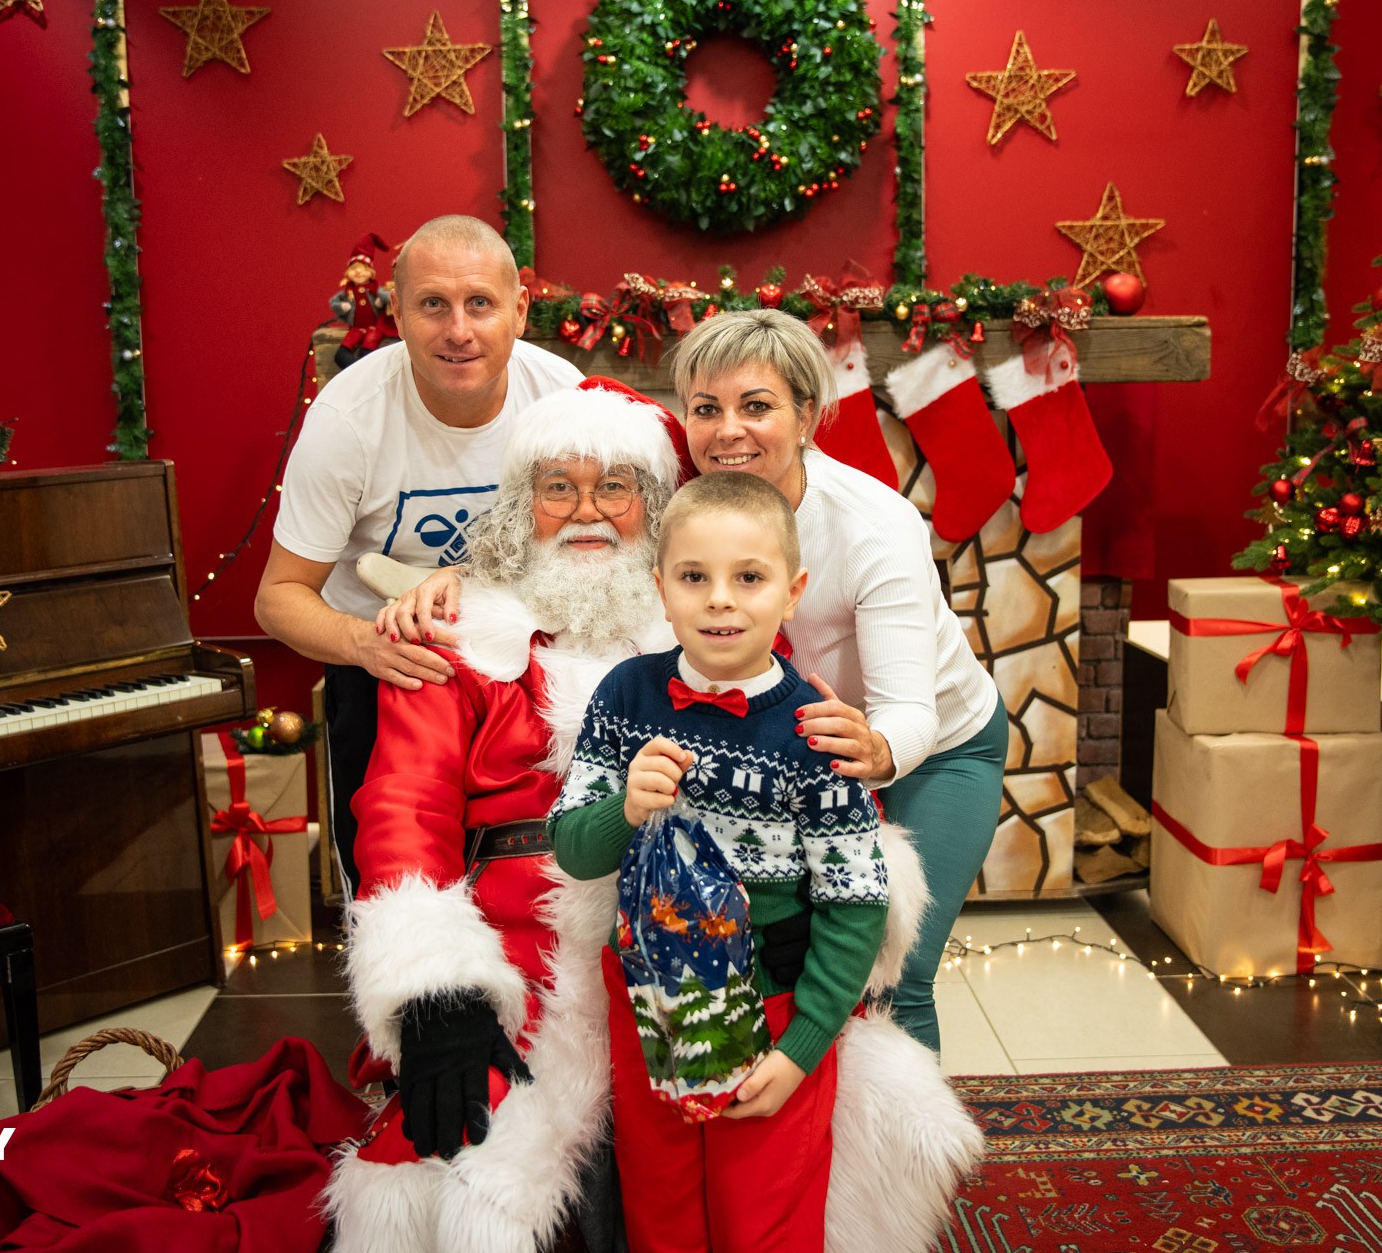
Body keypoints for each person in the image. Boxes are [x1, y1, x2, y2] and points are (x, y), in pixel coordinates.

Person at [326, 384, 978, 1253]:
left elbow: (835, 818)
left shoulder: (719, 632)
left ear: (656, 507)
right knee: (485, 1162)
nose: (586, 511)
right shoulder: (460, 640)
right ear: (522, 507)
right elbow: (403, 806)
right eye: (558, 487)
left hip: (721, 939)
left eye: (616, 487)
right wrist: (435, 985)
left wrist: (815, 934)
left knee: (804, 1152)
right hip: (521, 936)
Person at [384, 309, 1009, 1053]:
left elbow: (910, 709)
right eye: (707, 409)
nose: (728, 431)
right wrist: (458, 577)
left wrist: (876, 751)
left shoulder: (877, 527)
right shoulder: (699, 489)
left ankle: (902, 1123)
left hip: (929, 742)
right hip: (804, 742)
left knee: (895, 976)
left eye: (757, 406)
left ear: (808, 414)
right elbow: (568, 523)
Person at [548, 472, 898, 1253]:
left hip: (775, 1005)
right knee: (660, 1206)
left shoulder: (816, 732)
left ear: (792, 591)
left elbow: (856, 899)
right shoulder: (626, 697)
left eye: (748, 578)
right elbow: (572, 848)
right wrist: (624, 807)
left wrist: (803, 1046)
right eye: (693, 577)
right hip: (651, 999)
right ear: (660, 588)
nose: (719, 601)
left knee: (761, 1218)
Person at [254, 214, 582, 898]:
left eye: (480, 303)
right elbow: (278, 598)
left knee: (546, 882)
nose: (459, 330)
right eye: (433, 304)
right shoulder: (347, 420)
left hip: (528, 667)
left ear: (520, 311)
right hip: (385, 667)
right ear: (398, 315)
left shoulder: (563, 399)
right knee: (391, 885)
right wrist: (366, 646)